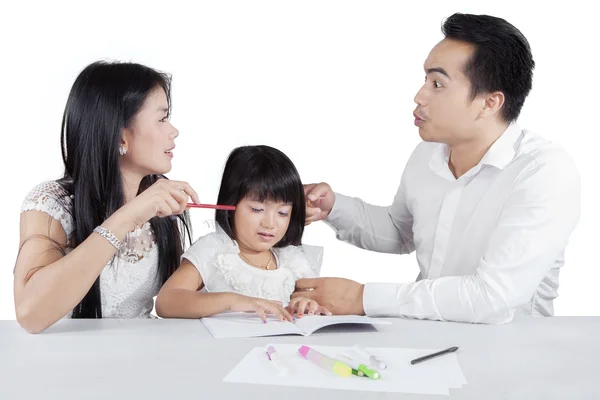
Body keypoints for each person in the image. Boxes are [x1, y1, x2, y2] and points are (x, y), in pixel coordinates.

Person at [295, 13, 581, 324]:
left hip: (511, 352)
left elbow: (493, 297)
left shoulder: (543, 172)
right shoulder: (428, 153)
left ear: (489, 103)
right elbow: (401, 231)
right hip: (428, 338)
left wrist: (362, 298)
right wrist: (333, 206)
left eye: (437, 83)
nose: (419, 96)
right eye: (425, 80)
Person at [14, 61, 200, 334]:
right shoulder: (51, 203)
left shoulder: (159, 203)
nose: (173, 131)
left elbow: (180, 298)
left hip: (147, 361)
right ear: (119, 136)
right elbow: (30, 314)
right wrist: (128, 215)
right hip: (69, 368)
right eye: (162, 118)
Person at [156, 145, 330, 322]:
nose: (270, 223)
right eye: (257, 209)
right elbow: (166, 302)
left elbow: (314, 304)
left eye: (282, 213)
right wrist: (232, 301)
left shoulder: (293, 261)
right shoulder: (215, 250)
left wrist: (307, 305)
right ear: (231, 206)